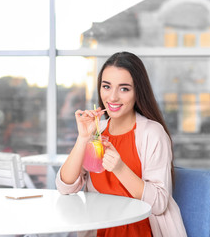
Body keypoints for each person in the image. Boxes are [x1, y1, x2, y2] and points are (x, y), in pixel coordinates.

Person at [56, 52, 187, 237]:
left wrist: (119, 168)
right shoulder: (96, 131)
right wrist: (83, 138)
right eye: (106, 87)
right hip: (101, 229)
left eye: (124, 89)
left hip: (141, 230)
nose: (113, 97)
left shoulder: (153, 133)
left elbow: (158, 204)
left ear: (137, 92)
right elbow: (65, 187)